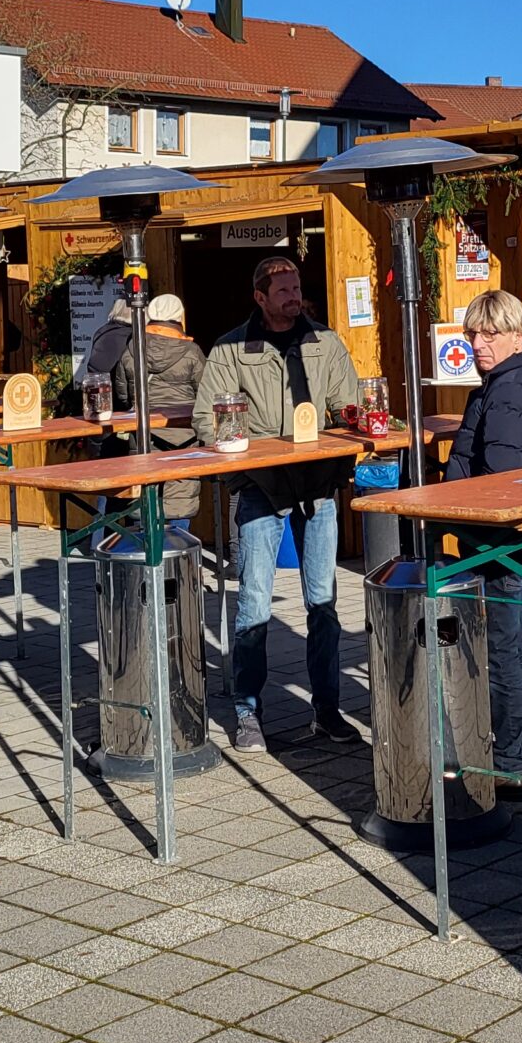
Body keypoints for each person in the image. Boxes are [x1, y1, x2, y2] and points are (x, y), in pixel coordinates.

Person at [192, 255, 362, 753]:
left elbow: (346, 408)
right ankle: (247, 712)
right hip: (262, 489)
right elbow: (210, 420)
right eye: (282, 290)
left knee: (323, 604)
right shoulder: (229, 349)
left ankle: (327, 710)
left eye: (296, 288)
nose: (293, 296)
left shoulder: (325, 341)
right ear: (260, 297)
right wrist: (252, 458)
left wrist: (351, 427)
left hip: (319, 487)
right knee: (253, 607)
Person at [444, 290, 522, 801]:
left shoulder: (511, 387)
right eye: (473, 333)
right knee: (512, 645)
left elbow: (500, 475)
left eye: (490, 333)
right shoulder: (513, 380)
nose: (478, 343)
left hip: (496, 537)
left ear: (517, 335)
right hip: (501, 536)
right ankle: (516, 757)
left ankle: (513, 763)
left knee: (502, 649)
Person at [109, 292, 206, 533]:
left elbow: (122, 395)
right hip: (183, 438)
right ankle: (177, 558)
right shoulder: (192, 352)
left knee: (144, 492)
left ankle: (146, 559)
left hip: (143, 436)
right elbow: (205, 394)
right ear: (179, 317)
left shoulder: (132, 349)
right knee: (179, 497)